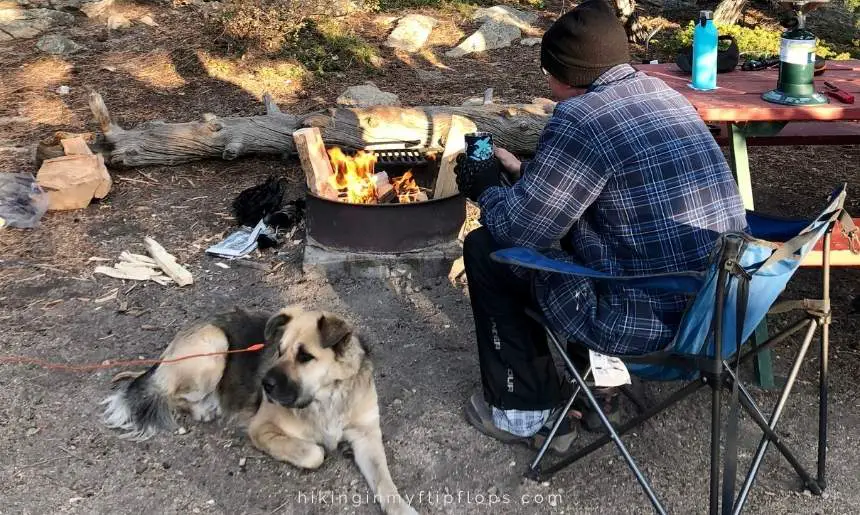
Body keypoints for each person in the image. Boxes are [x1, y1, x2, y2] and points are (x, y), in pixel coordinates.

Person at [455, 0, 748, 453]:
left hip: (647, 319)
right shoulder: (664, 95)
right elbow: (607, 188)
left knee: (486, 248)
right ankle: (597, 393)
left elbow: (519, 230)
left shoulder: (581, 118)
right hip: (721, 308)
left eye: (548, 73)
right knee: (582, 235)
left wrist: (486, 189)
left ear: (566, 74)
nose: (548, 85)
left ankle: (523, 411)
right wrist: (521, 172)